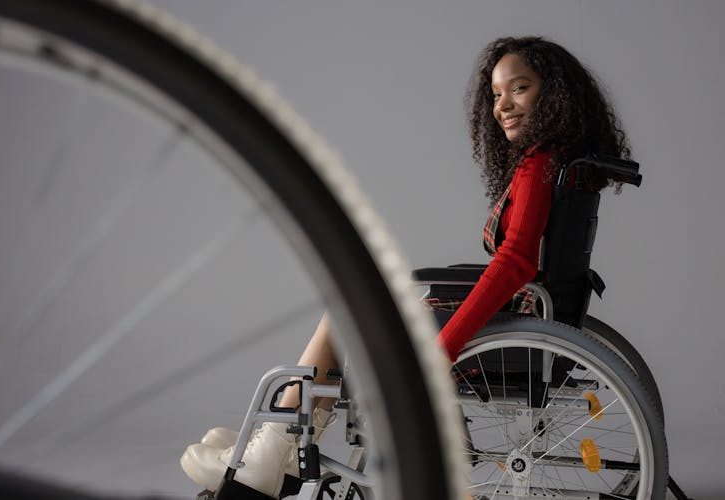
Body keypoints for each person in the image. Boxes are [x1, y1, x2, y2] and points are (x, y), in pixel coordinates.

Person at [180, 36, 632, 498]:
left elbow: (515, 262)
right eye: (496, 94)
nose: (503, 105)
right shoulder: (553, 159)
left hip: (519, 319)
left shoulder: (539, 164)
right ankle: (275, 448)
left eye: (520, 88)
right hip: (537, 311)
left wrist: (443, 349)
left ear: (551, 93)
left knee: (345, 309)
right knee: (358, 304)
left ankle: (269, 454)